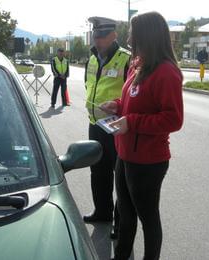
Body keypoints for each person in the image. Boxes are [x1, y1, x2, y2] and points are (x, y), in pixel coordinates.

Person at [100, 12, 184, 260]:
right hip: (125, 154)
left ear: (146, 36)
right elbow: (134, 102)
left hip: (148, 161)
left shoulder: (167, 72)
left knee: (148, 218)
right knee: (125, 214)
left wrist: (132, 122)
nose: (128, 38)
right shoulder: (138, 65)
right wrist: (117, 105)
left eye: (132, 34)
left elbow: (173, 119)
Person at [83, 16, 131, 237]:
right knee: (98, 171)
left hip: (116, 127)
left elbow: (132, 96)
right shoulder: (91, 59)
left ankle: (121, 225)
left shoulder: (126, 60)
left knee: (120, 176)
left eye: (102, 36)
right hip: (95, 124)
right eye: (96, 36)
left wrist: (119, 110)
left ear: (114, 35)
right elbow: (89, 85)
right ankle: (102, 211)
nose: (98, 40)